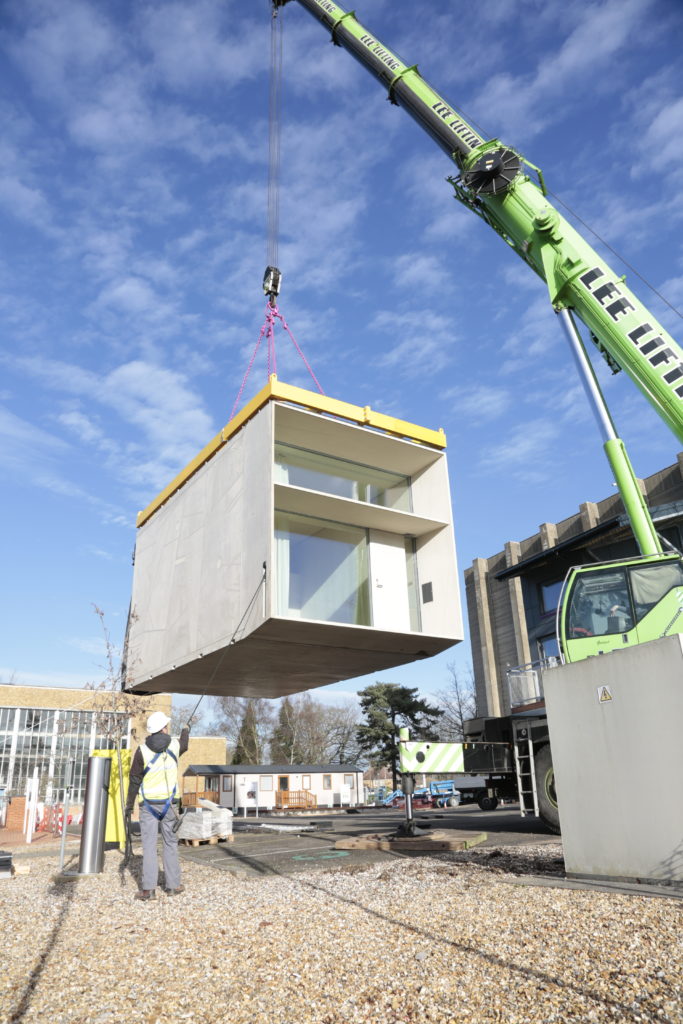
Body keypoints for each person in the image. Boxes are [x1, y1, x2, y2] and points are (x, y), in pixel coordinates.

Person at [125, 711, 190, 901]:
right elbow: (185, 743)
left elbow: (135, 779)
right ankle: (173, 886)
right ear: (164, 728)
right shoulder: (176, 745)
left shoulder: (142, 750)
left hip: (148, 806)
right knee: (170, 843)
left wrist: (129, 805)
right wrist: (186, 729)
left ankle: (148, 889)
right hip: (169, 804)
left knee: (149, 845)